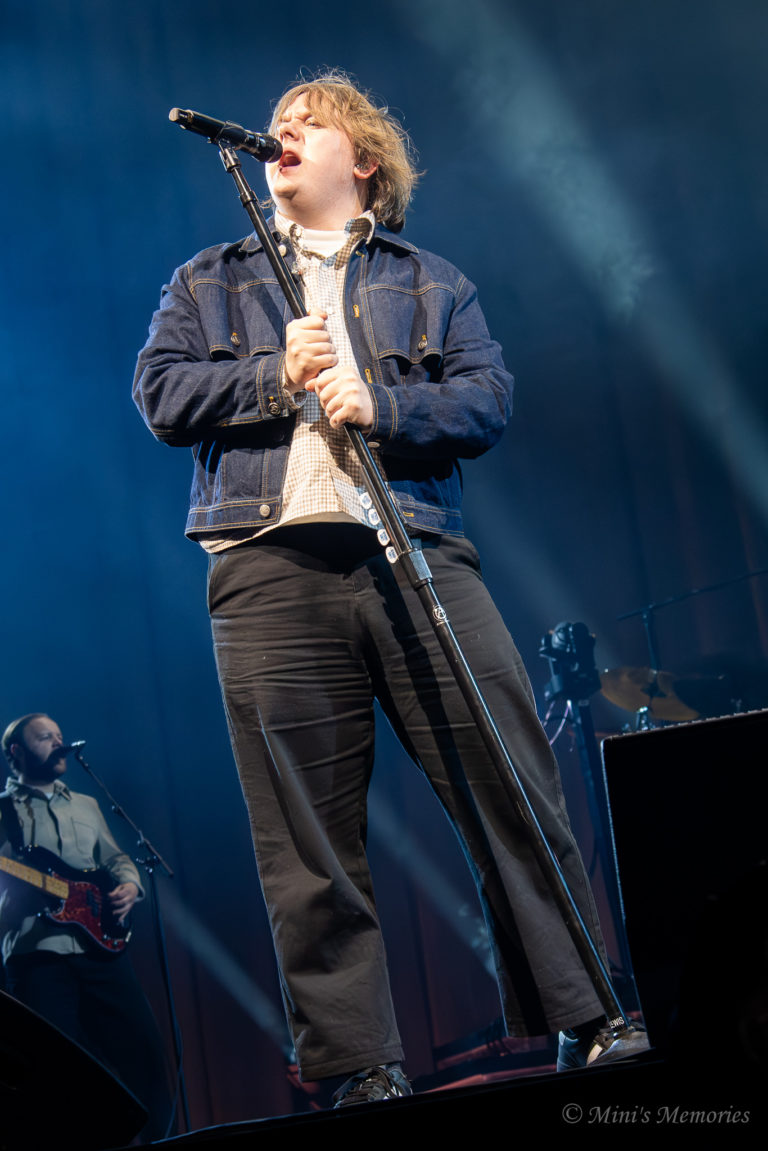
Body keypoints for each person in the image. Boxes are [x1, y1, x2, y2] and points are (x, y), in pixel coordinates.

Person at [133, 70, 646, 1106]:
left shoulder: (431, 279)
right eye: (273, 125)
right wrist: (271, 374)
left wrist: (385, 403)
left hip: (413, 551)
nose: (281, 133)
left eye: (306, 123)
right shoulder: (209, 278)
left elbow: (485, 396)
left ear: (360, 159)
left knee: (509, 781)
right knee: (306, 838)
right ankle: (361, 1066)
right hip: (266, 565)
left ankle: (590, 1017)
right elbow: (161, 392)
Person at [0, 713, 172, 1141]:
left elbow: (115, 859)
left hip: (101, 949)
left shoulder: (86, 804)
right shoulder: (3, 810)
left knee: (146, 1056)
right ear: (15, 752)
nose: (58, 743)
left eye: (59, 736)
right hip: (37, 954)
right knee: (57, 1071)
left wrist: (130, 886)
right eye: (45, 738)